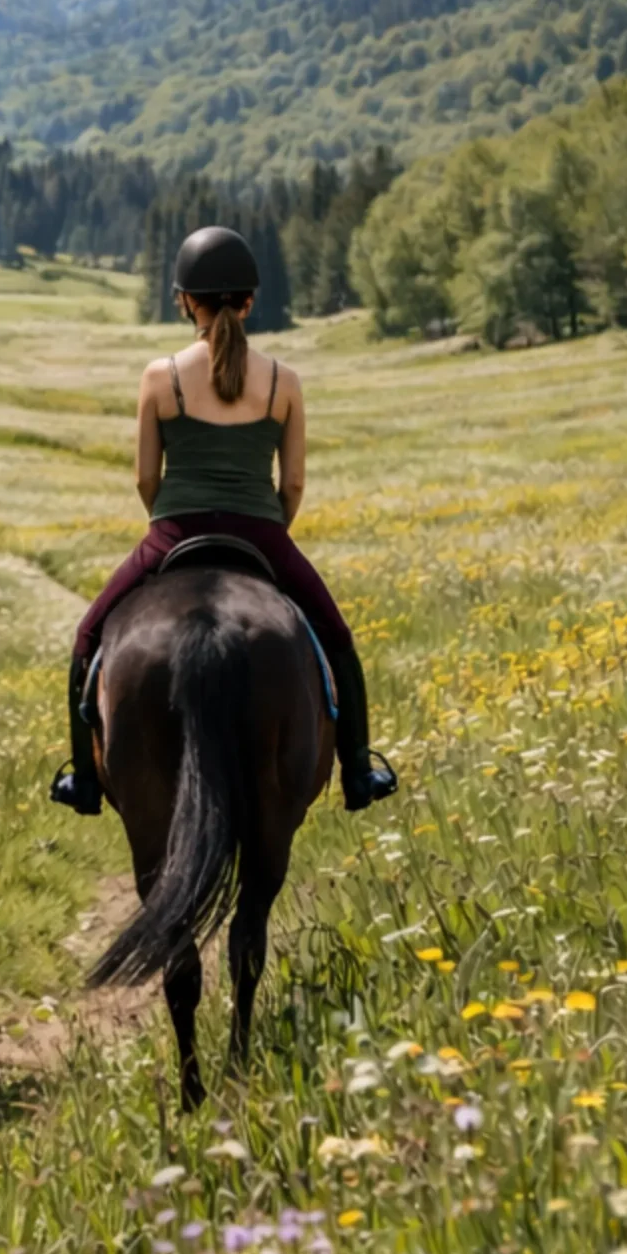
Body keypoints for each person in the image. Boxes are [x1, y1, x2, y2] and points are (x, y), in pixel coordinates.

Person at [49, 224, 397, 817]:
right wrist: (268, 527)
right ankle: (360, 769)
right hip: (262, 532)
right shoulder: (284, 381)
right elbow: (292, 483)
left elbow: (144, 479)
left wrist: (170, 524)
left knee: (87, 638)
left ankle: (83, 777)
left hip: (174, 533)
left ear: (186, 300)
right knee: (337, 640)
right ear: (250, 301)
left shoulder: (160, 377)